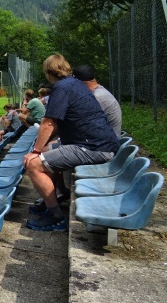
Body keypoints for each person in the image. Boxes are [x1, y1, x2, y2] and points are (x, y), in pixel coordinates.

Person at [22, 54, 119, 232]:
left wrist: (35, 152)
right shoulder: (75, 84)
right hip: (98, 144)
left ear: (48, 72)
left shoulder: (61, 87)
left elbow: (49, 122)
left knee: (33, 164)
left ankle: (56, 218)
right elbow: (59, 121)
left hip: (92, 147)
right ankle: (52, 198)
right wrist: (41, 148)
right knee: (46, 151)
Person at [73, 65, 122, 136]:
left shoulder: (97, 97)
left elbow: (82, 122)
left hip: (107, 142)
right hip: (106, 137)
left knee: (53, 145)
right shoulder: (98, 92)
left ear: (79, 82)